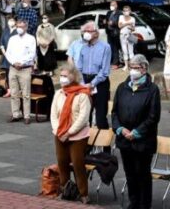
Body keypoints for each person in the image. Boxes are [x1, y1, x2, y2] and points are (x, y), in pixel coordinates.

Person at [112, 54, 161, 209]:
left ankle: (144, 205)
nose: (132, 70)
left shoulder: (152, 89)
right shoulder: (122, 87)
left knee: (142, 174)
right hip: (124, 140)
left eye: (136, 67)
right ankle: (133, 203)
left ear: (144, 69)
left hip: (143, 141)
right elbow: (114, 113)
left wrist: (137, 132)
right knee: (130, 174)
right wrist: (120, 129)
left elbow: (153, 116)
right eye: (131, 67)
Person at [50, 64, 92, 204]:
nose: (62, 78)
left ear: (73, 77)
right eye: (61, 76)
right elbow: (53, 115)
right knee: (62, 163)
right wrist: (58, 131)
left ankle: (83, 193)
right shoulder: (58, 93)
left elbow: (83, 118)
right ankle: (65, 190)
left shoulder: (83, 95)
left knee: (78, 164)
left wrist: (69, 133)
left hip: (78, 136)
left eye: (65, 76)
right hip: (60, 134)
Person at [76, 21, 111, 129]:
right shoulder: (83, 47)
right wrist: (82, 83)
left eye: (88, 31)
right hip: (85, 81)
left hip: (100, 82)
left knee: (100, 117)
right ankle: (86, 139)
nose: (86, 33)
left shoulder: (105, 47)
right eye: (84, 31)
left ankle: (104, 139)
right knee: (85, 115)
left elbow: (104, 71)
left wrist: (92, 84)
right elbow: (79, 68)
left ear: (96, 33)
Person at [4, 19, 36, 124]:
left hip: (25, 69)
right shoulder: (12, 39)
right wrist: (14, 63)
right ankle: (15, 114)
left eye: (21, 27)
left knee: (26, 94)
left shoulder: (31, 39)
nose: (19, 29)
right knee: (14, 93)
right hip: (13, 68)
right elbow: (8, 53)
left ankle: (27, 116)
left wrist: (22, 62)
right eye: (17, 27)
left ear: (26, 27)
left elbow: (32, 54)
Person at [0, 16, 16, 97]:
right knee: (7, 74)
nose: (10, 22)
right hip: (6, 56)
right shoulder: (5, 31)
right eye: (9, 20)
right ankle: (9, 90)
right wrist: (5, 53)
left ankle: (15, 90)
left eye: (12, 20)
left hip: (15, 56)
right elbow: (1, 43)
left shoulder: (17, 31)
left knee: (14, 74)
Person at [117, 6, 136, 70]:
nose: (126, 12)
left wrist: (131, 27)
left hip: (129, 35)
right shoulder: (121, 17)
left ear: (130, 11)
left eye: (127, 10)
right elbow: (119, 26)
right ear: (123, 12)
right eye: (125, 11)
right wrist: (127, 23)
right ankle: (126, 65)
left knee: (131, 51)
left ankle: (132, 65)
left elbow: (133, 28)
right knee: (124, 51)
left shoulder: (133, 19)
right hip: (122, 35)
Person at [105, 1, 122, 68]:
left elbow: (120, 22)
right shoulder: (109, 13)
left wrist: (113, 23)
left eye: (113, 5)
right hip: (109, 32)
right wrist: (106, 22)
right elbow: (107, 20)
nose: (112, 6)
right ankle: (112, 62)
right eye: (111, 5)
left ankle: (116, 63)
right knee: (110, 48)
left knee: (115, 48)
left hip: (115, 33)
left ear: (116, 5)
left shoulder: (119, 13)